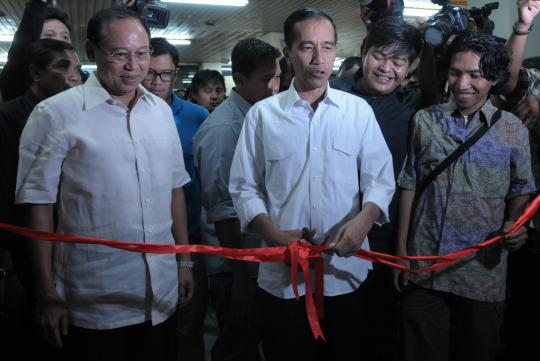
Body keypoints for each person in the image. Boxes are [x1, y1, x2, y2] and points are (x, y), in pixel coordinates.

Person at [15, 7, 193, 361]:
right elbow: (38, 205)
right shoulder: (56, 114)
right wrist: (46, 292)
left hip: (160, 294)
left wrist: (184, 260)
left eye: (141, 54)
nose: (133, 66)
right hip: (94, 301)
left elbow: (175, 189)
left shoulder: (159, 112)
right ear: (91, 51)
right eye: (119, 54)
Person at [228, 8, 395, 361]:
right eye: (306, 47)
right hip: (282, 279)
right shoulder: (263, 116)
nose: (319, 59)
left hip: (346, 273)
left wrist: (363, 222)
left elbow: (381, 179)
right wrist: (271, 233)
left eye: (328, 47)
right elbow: (243, 187)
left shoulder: (358, 111)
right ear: (287, 52)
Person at [394, 31, 535, 361]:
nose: (462, 84)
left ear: (494, 78)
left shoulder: (513, 128)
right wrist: (402, 250)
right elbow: (410, 184)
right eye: (456, 73)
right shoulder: (425, 121)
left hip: (481, 276)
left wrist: (516, 222)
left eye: (475, 75)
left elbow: (521, 187)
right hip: (423, 268)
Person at [194, 37, 281, 361]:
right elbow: (223, 210)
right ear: (240, 79)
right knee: (237, 347)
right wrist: (240, 277)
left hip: (259, 262)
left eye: (276, 76)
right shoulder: (223, 130)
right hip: (235, 268)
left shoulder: (260, 116)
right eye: (265, 79)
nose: (274, 86)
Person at [0, 38, 81, 361]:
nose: (73, 77)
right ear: (35, 73)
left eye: (76, 69)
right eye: (62, 68)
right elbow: (5, 194)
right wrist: (7, 269)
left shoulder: (75, 115)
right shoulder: (8, 118)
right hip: (21, 252)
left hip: (65, 246)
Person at [141, 36, 209, 361]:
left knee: (190, 320)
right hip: (144, 240)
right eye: (150, 73)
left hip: (190, 236)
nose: (156, 82)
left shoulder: (197, 117)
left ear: (175, 75)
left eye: (164, 74)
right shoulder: (129, 114)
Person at [0, 0, 72, 101]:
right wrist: (38, 4)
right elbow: (22, 47)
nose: (59, 42)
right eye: (49, 35)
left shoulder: (78, 79)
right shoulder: (18, 76)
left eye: (65, 37)